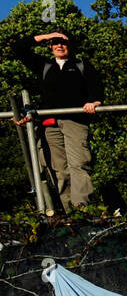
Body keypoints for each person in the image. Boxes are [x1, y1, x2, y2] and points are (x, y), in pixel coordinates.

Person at [12, 30, 104, 208]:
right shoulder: (44, 65)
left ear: (71, 45)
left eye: (64, 42)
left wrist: (95, 102)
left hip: (75, 121)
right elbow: (18, 48)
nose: (60, 45)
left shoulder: (80, 64)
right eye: (55, 42)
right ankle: (68, 211)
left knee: (78, 164)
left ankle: (82, 209)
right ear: (50, 46)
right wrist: (46, 36)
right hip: (49, 124)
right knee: (59, 169)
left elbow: (97, 86)